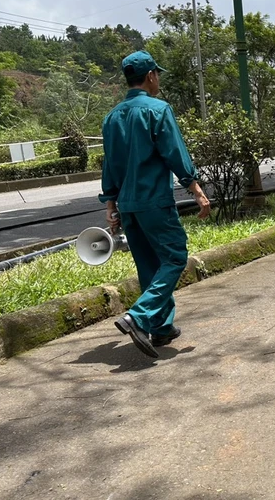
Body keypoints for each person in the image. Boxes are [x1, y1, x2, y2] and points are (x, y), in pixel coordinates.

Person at [99, 50, 211, 358]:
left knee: (150, 264)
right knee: (175, 257)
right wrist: (197, 190)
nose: (158, 79)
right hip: (154, 201)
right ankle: (139, 317)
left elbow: (109, 164)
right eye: (157, 74)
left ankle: (161, 327)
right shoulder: (157, 110)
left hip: (128, 205)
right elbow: (174, 152)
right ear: (150, 76)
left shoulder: (112, 118)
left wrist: (110, 202)